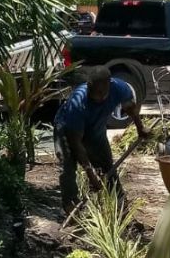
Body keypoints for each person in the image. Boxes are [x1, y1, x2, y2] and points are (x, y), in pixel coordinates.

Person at [54, 66, 146, 214]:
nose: (99, 97)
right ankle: (71, 206)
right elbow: (76, 143)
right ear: (89, 86)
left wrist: (140, 127)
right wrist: (90, 173)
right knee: (67, 166)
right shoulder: (77, 102)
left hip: (96, 128)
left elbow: (130, 107)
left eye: (103, 93)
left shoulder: (120, 88)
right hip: (67, 129)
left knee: (106, 165)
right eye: (95, 93)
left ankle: (119, 205)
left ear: (110, 84)